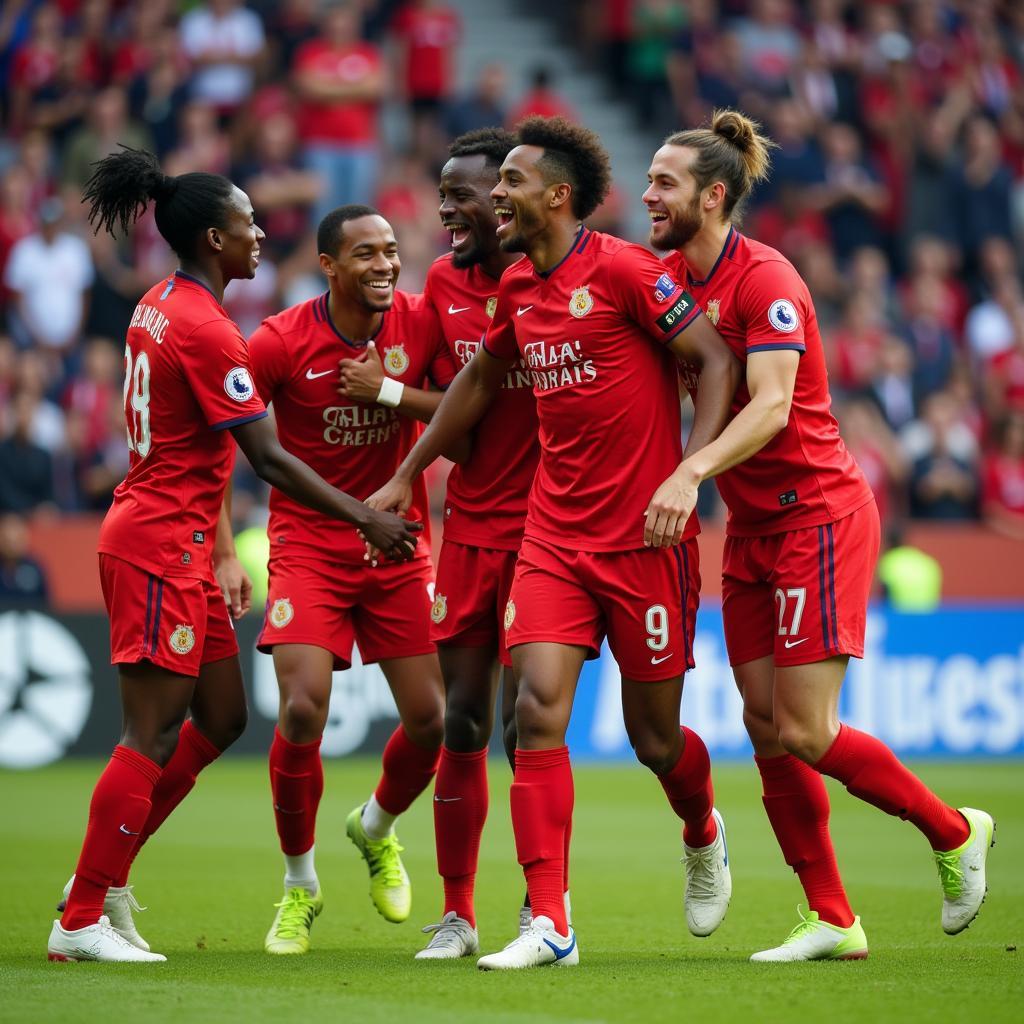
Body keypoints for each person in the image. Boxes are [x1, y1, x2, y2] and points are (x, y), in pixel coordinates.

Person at [369, 115, 741, 970]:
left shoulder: (623, 270)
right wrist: (409, 472)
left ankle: (701, 826)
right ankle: (550, 922)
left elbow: (716, 360)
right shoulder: (515, 292)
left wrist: (689, 476)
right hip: (554, 539)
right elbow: (477, 381)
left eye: (512, 182)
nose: (497, 193)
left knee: (657, 742)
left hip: (645, 542)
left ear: (557, 196)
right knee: (534, 713)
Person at [47, 149, 419, 965]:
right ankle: (80, 916)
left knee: (221, 717)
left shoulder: (159, 303)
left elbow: (193, 442)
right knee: (147, 736)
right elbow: (270, 460)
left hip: (176, 539)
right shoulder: (209, 329)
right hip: (155, 546)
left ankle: (107, 878)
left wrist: (219, 549)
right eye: (250, 224)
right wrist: (365, 516)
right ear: (216, 239)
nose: (262, 236)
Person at [644, 109, 995, 962]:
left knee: (803, 728)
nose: (649, 195)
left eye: (666, 183)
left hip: (820, 516)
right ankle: (832, 916)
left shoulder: (767, 280)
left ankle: (953, 832)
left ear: (714, 196)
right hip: (757, 528)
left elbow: (769, 405)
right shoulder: (661, 280)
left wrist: (691, 473)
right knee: (764, 728)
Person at [248, 205, 457, 956]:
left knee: (431, 720)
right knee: (304, 708)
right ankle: (299, 887)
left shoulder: (422, 323)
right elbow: (231, 434)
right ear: (328, 265)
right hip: (310, 543)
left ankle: (374, 829)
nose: (384, 265)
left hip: (396, 543)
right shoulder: (277, 341)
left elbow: (467, 413)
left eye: (392, 252)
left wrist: (390, 394)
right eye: (365, 253)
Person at [413, 127, 539, 960]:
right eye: (446, 192)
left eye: (465, 194)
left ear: (510, 197)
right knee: (460, 722)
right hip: (471, 526)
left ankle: (544, 911)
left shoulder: (558, 282)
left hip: (553, 530)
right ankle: (459, 916)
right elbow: (436, 399)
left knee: (527, 723)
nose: (449, 208)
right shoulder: (440, 284)